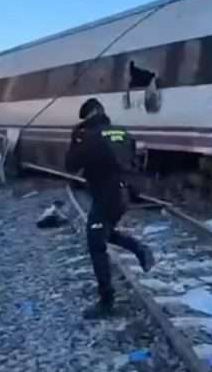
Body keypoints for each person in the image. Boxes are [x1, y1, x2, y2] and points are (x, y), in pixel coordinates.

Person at [64, 98, 155, 319]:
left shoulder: (89, 138)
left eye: (85, 117)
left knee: (96, 244)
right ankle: (139, 248)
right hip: (123, 195)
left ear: (91, 114)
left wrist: (75, 140)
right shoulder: (121, 132)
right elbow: (132, 160)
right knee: (102, 233)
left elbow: (71, 165)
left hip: (107, 195)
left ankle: (106, 302)